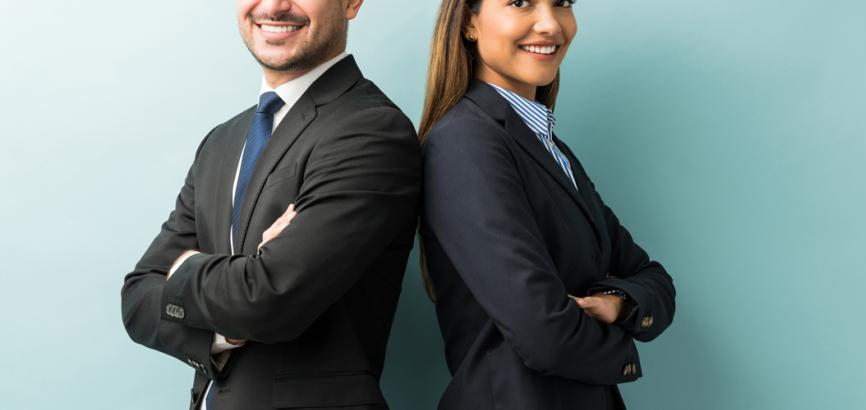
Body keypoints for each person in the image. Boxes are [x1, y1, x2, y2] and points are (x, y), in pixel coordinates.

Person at [120, 1, 420, 409]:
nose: (275, 5)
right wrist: (229, 327)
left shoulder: (370, 131)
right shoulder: (222, 142)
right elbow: (138, 299)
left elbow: (266, 300)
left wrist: (183, 271)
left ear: (351, 3)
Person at [418, 0, 677, 409]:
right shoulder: (465, 142)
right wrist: (624, 347)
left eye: (563, 3)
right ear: (469, 22)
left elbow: (653, 279)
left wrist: (620, 303)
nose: (550, 24)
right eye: (519, 2)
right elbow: (545, 334)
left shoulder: (550, 149)